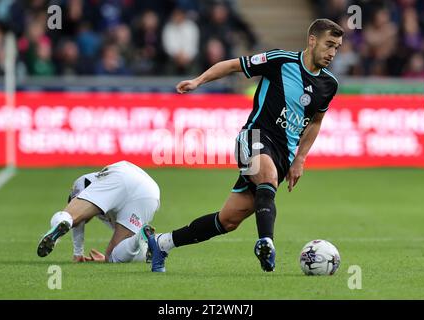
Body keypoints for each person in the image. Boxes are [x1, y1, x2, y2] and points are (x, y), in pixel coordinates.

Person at [146, 19, 344, 273]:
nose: (332, 53)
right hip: (253, 137)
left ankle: (162, 243)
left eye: (337, 48)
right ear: (312, 40)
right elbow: (232, 65)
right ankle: (266, 243)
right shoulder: (281, 60)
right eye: (329, 45)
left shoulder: (329, 84)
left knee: (228, 220)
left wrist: (300, 159)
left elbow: (316, 121)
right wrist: (198, 81)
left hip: (284, 154)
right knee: (267, 175)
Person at [37, 161, 160, 263]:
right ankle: (140, 235)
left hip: (120, 176)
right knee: (112, 256)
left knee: (69, 216)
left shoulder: (84, 181)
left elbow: (75, 221)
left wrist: (78, 253)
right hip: (150, 192)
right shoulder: (104, 203)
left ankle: (55, 227)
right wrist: (103, 258)